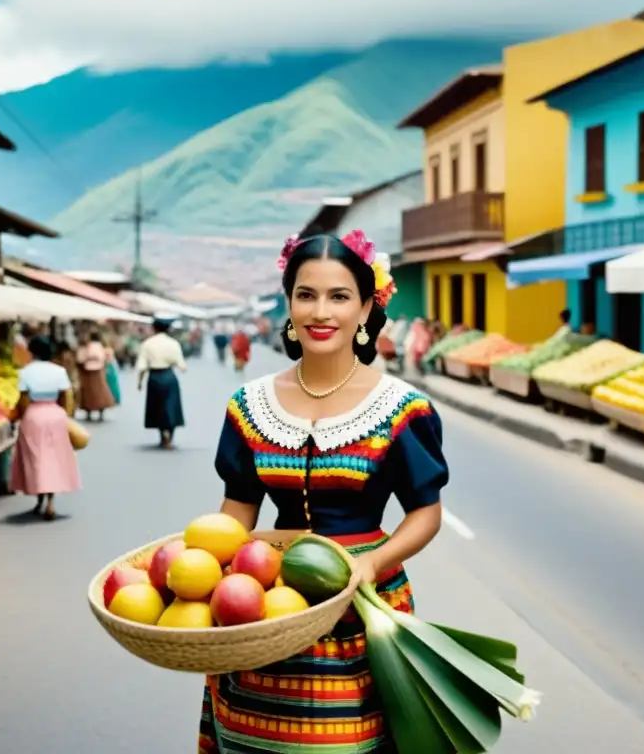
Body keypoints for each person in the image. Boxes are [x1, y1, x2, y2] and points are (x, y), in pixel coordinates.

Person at [198, 230, 449, 753]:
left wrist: (371, 565)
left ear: (365, 308)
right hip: (265, 602)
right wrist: (207, 573)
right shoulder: (249, 404)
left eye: (339, 296)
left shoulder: (402, 407)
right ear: (288, 303)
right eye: (306, 294)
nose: (321, 311)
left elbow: (425, 512)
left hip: (363, 603)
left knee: (346, 742)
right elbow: (238, 509)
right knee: (255, 737)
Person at [9, 336, 81, 521]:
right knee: (53, 459)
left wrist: (22, 417)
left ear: (32, 352)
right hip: (55, 415)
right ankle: (50, 501)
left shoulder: (25, 372)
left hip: (34, 415)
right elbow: (66, 395)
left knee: (36, 460)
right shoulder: (59, 371)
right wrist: (64, 415)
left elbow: (23, 399)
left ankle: (40, 499)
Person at [136, 316, 187, 449]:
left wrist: (140, 382)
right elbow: (182, 366)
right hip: (169, 376)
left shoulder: (147, 344)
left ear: (154, 328)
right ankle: (169, 434)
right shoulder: (173, 343)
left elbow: (142, 366)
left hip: (154, 377)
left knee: (156, 406)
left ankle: (162, 434)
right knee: (171, 405)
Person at [76, 331, 116, 422]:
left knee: (88, 391)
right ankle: (101, 411)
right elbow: (107, 358)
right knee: (101, 390)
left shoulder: (88, 346)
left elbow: (81, 358)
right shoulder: (101, 347)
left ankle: (88, 412)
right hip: (99, 370)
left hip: (87, 371)